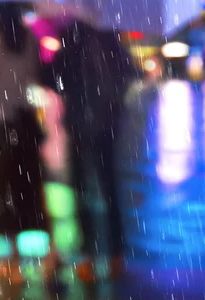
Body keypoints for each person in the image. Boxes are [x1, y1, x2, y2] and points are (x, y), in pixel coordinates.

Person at [0, 2, 60, 284]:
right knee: (31, 190)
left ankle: (14, 260)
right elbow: (32, 75)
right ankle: (51, 253)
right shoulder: (29, 38)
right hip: (24, 122)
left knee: (4, 190)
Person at [44, 20, 142, 282]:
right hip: (107, 125)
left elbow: (53, 79)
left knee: (81, 191)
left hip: (79, 124)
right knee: (109, 189)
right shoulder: (110, 39)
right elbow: (131, 73)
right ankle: (115, 256)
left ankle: (87, 258)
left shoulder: (72, 39)